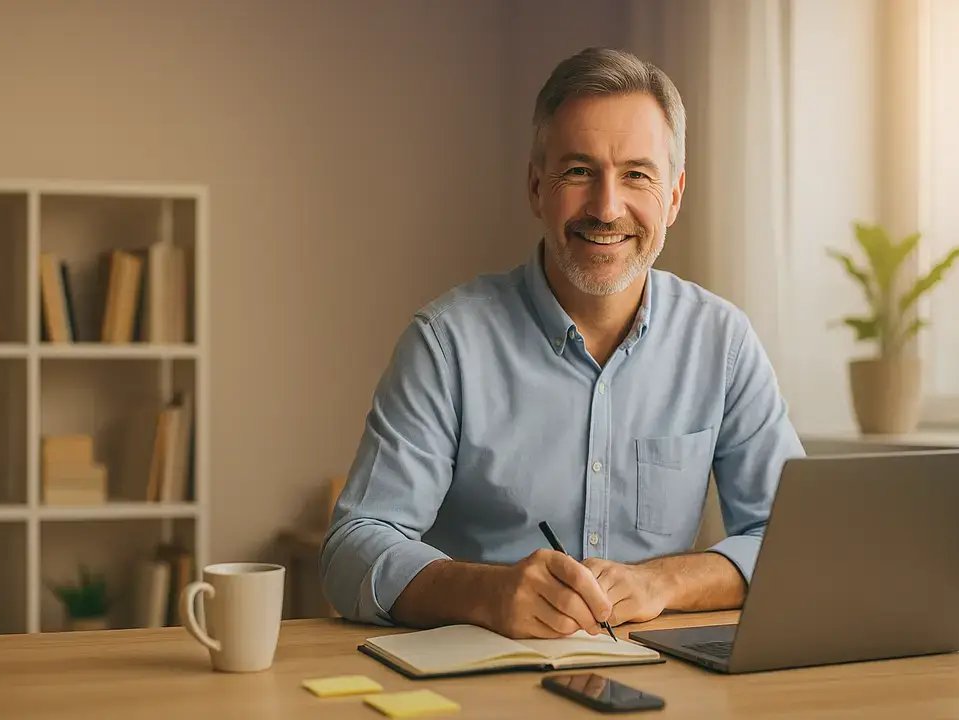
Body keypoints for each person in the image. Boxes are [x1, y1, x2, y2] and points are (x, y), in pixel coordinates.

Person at [319, 47, 805, 639]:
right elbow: (351, 549)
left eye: (636, 175)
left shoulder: (723, 343)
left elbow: (791, 542)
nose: (606, 207)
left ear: (673, 196)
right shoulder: (446, 344)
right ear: (535, 187)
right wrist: (486, 593)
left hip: (661, 682)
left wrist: (663, 582)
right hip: (477, 683)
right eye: (578, 171)